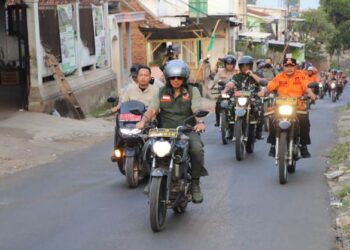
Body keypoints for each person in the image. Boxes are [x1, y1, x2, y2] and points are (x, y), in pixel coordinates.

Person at [136, 60, 208, 203]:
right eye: (173, 78)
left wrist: (199, 123)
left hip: (186, 130)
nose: (176, 80)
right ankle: (151, 178)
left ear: (184, 78)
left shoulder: (192, 91)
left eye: (179, 78)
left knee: (197, 150)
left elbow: (196, 109)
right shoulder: (161, 91)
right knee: (146, 148)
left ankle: (195, 184)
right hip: (164, 131)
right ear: (168, 78)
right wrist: (143, 121)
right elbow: (152, 109)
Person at [258, 57, 317, 158]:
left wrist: (311, 93)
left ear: (295, 67)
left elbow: (307, 86)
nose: (289, 68)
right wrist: (263, 92)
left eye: (291, 66)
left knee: (304, 120)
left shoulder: (301, 75)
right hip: (281, 105)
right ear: (283, 67)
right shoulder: (279, 76)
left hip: (298, 105)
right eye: (286, 66)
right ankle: (273, 145)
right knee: (273, 119)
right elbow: (270, 86)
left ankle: (303, 146)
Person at [111, 65, 159, 162]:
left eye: (146, 75)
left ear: (150, 77)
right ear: (137, 77)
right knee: (118, 126)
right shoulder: (130, 89)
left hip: (149, 123)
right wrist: (117, 108)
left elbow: (158, 107)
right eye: (141, 75)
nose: (143, 77)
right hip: (131, 120)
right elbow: (123, 103)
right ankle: (117, 150)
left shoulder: (156, 90)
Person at [223, 55, 267, 139]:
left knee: (260, 109)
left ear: (250, 65)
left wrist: (252, 74)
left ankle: (258, 132)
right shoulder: (237, 76)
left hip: (253, 97)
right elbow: (231, 83)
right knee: (229, 107)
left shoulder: (257, 74)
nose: (244, 67)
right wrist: (224, 90)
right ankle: (231, 130)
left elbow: (262, 82)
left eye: (247, 65)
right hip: (239, 98)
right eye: (242, 65)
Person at [212, 55, 237, 126]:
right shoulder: (220, 71)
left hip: (234, 92)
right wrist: (217, 84)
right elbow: (216, 79)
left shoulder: (237, 72)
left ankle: (238, 119)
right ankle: (217, 121)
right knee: (218, 104)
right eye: (228, 64)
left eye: (231, 64)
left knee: (238, 104)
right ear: (225, 64)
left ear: (234, 65)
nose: (229, 66)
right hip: (224, 91)